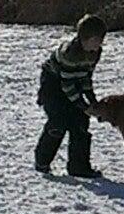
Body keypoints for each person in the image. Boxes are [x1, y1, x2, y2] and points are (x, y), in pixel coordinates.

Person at [34, 14, 107, 178]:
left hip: (73, 81)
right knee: (58, 122)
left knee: (80, 123)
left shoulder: (95, 52)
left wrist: (92, 101)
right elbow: (67, 87)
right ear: (84, 38)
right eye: (96, 40)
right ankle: (42, 162)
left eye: (101, 40)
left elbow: (86, 77)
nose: (99, 44)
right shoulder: (70, 54)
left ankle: (79, 167)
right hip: (54, 84)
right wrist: (84, 106)